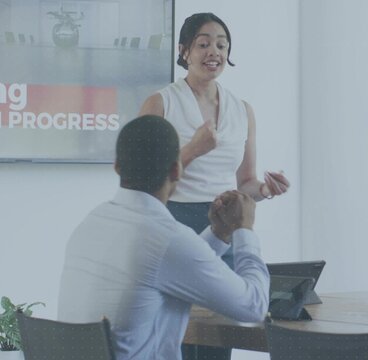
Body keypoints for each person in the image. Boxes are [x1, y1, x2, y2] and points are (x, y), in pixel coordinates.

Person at [57, 115, 269, 360]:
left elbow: (165, 265)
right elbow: (253, 306)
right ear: (177, 169)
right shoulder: (166, 238)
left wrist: (218, 233)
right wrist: (244, 229)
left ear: (117, 166)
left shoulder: (92, 222)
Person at [139, 12, 289, 235]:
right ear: (183, 51)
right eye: (203, 44)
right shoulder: (160, 104)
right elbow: (143, 181)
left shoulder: (243, 110)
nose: (214, 52)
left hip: (228, 224)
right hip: (172, 221)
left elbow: (246, 183)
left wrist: (266, 189)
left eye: (221, 45)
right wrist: (192, 150)